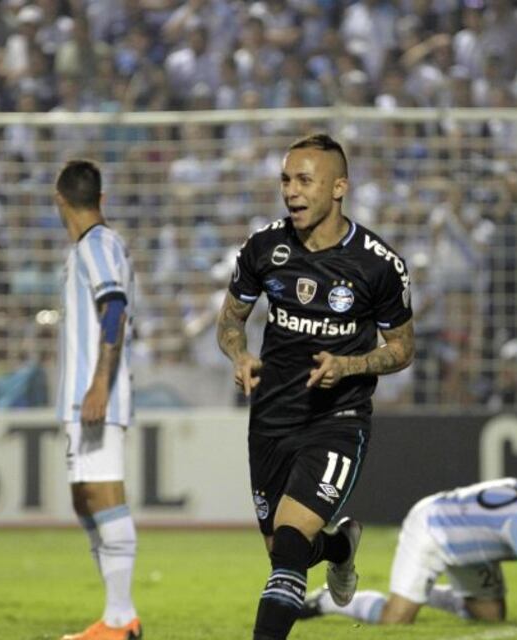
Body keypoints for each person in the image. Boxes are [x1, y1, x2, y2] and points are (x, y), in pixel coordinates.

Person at [217, 133, 415, 640]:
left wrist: (348, 367)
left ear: (339, 187)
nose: (291, 191)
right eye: (286, 179)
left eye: (305, 180)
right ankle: (339, 549)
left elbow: (401, 349)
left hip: (337, 419)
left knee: (286, 549)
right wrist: (240, 355)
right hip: (270, 419)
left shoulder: (378, 264)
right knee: (285, 551)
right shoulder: (264, 247)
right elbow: (231, 321)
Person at [297, 477, 517, 627]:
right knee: (397, 618)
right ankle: (326, 600)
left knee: (490, 616)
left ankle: (422, 592)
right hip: (434, 528)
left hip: (473, 538)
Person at [53, 160, 141, 640]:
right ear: (100, 198)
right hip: (84, 399)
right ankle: (115, 616)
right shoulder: (93, 246)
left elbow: (115, 308)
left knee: (104, 495)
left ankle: (121, 619)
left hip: (97, 397)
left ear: (58, 200)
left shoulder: (98, 244)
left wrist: (100, 383)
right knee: (85, 500)